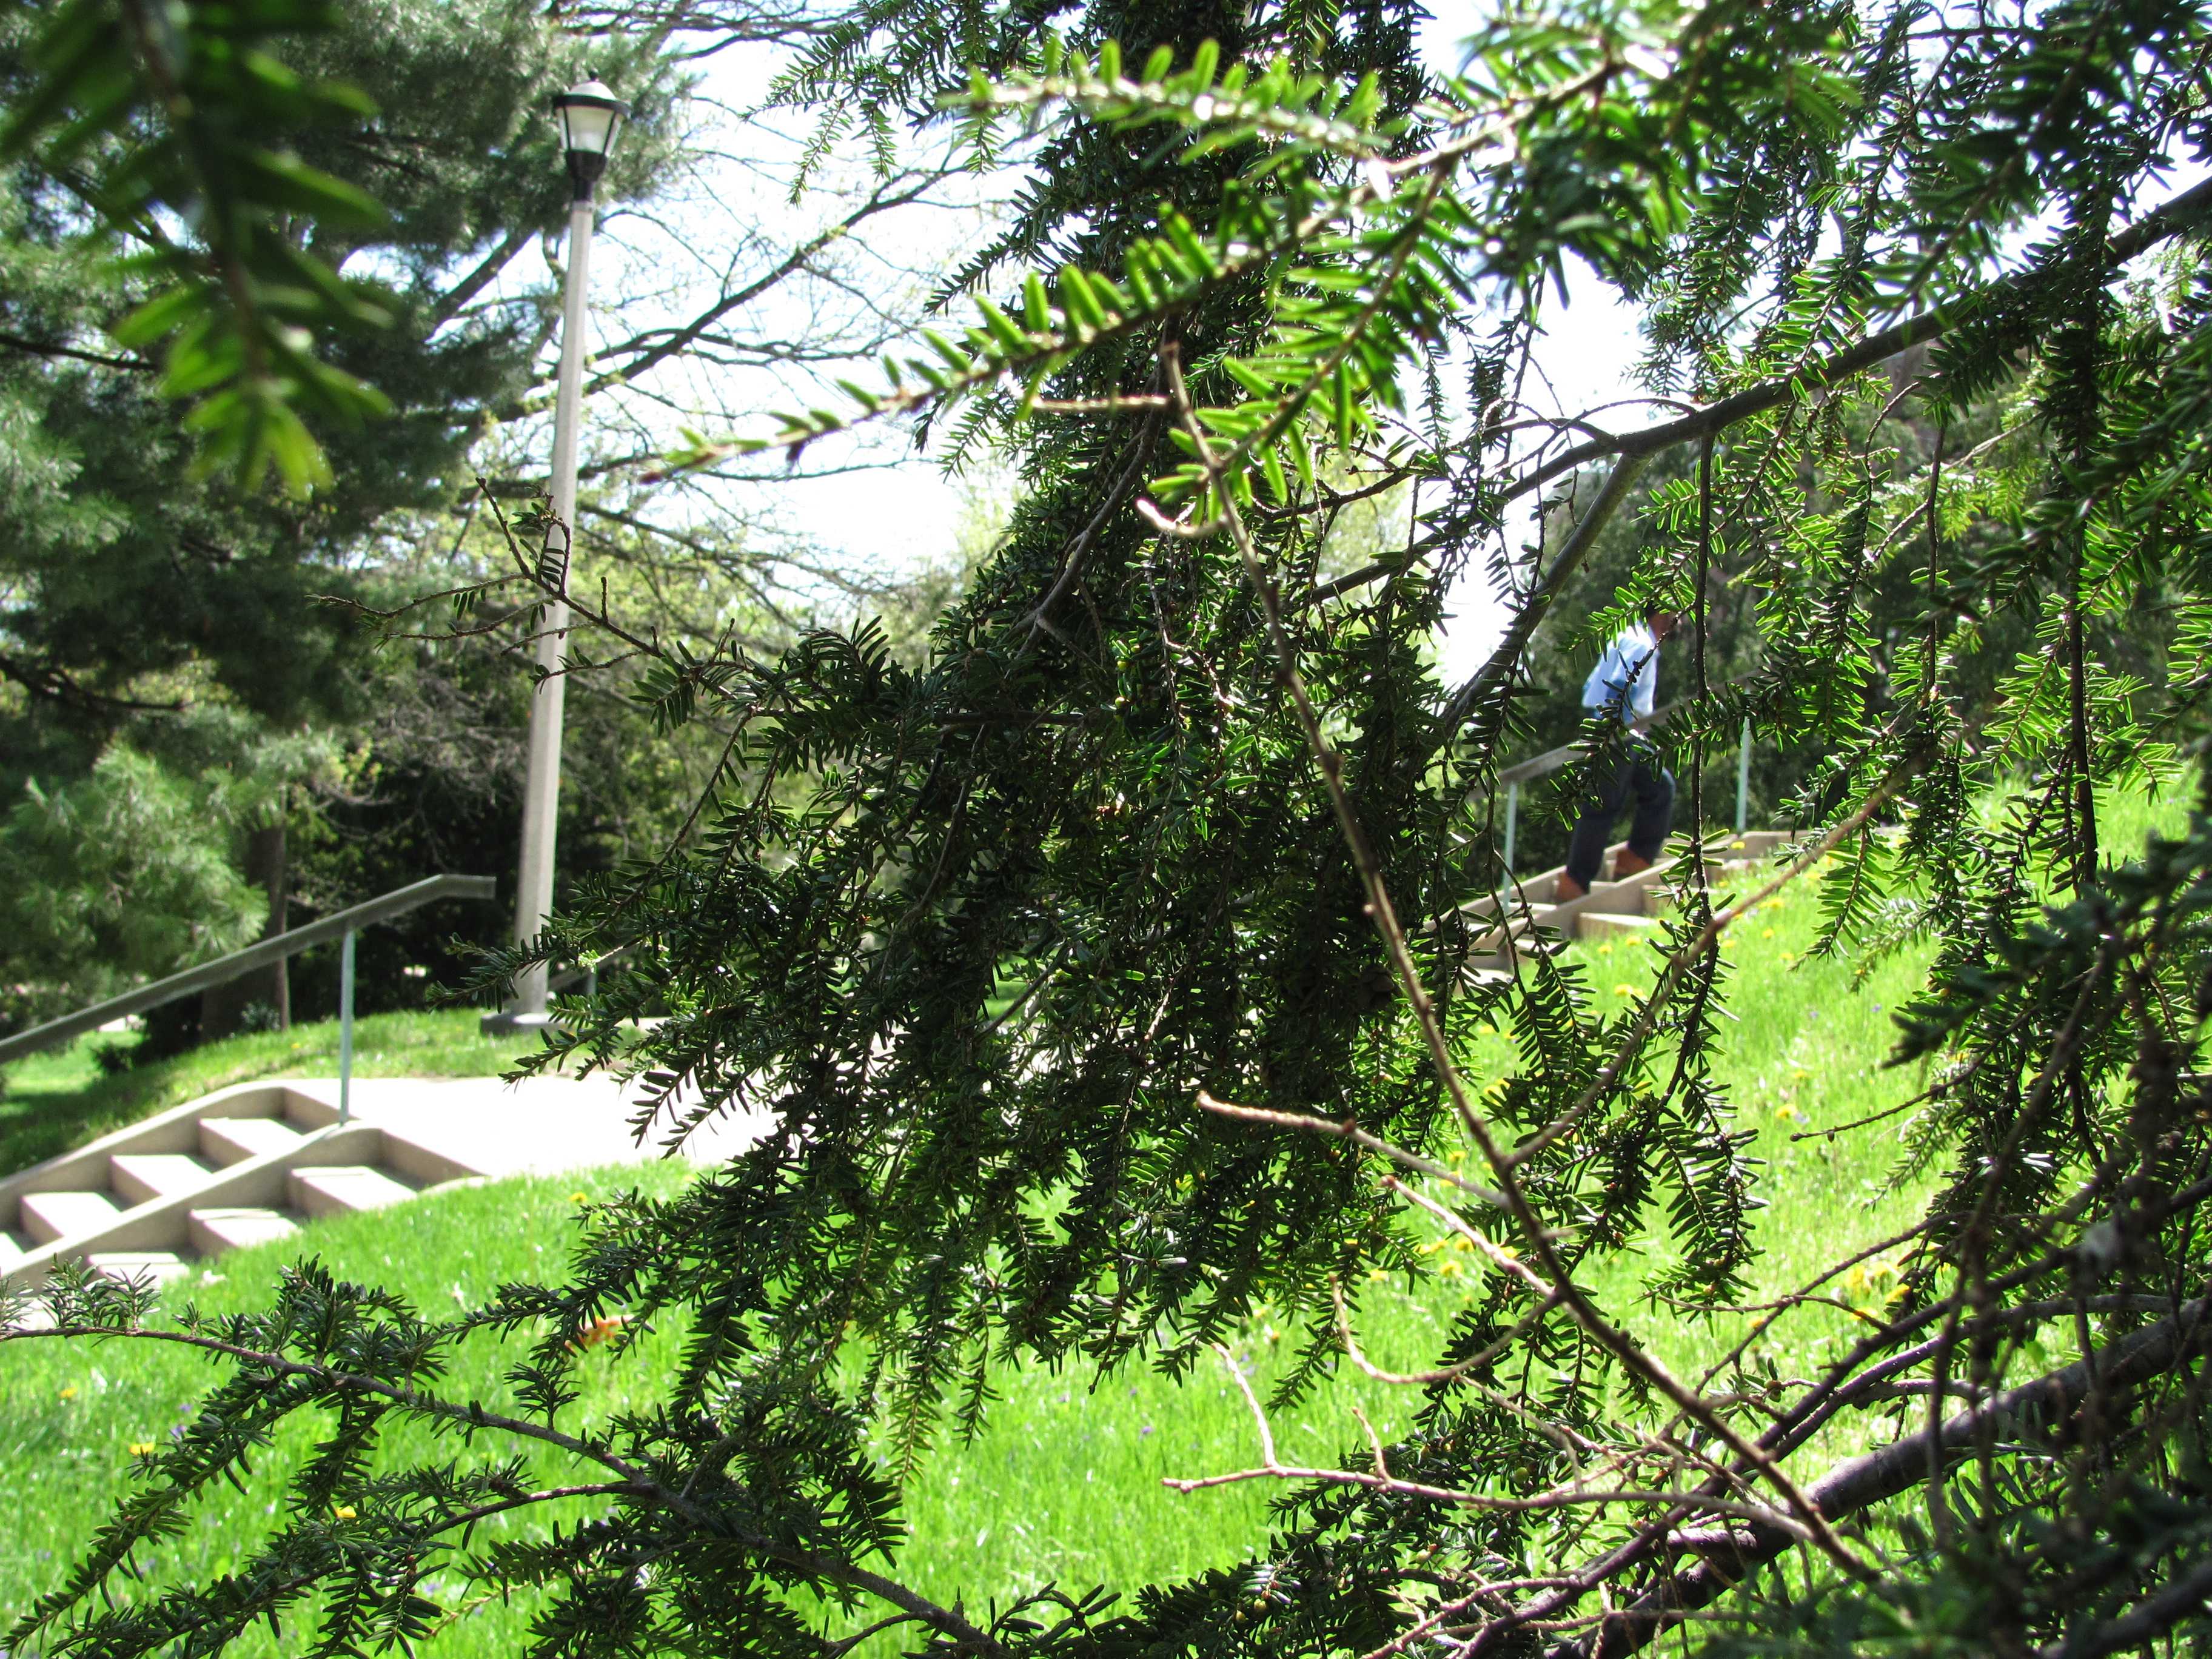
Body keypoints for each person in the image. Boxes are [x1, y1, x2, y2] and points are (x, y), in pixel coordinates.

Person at [1553, 608, 1679, 902]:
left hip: (1626, 729)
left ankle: (1635, 857)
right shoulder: (1641, 644)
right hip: (1618, 729)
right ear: (1662, 614)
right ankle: (1575, 881)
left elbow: (1591, 683)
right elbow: (1620, 685)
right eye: (1677, 613)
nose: (1681, 621)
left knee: (1660, 788)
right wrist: (1612, 731)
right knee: (1603, 805)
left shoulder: (1627, 635)